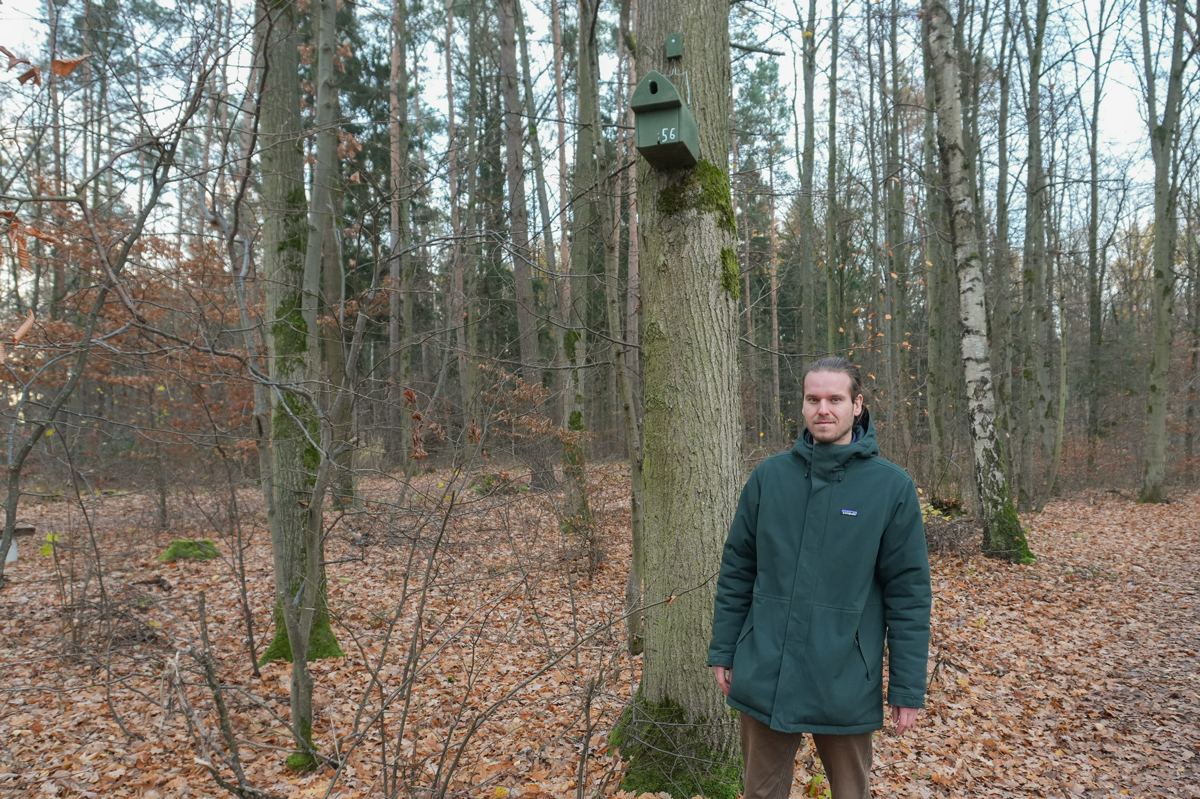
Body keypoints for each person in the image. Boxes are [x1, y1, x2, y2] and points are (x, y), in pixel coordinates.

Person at [708, 357, 932, 799]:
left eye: (835, 398)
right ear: (803, 405)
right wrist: (724, 648)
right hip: (766, 667)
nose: (823, 409)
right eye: (813, 399)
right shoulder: (770, 478)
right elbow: (738, 569)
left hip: (846, 676)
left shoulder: (891, 487)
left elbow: (908, 594)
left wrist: (907, 687)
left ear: (857, 405)